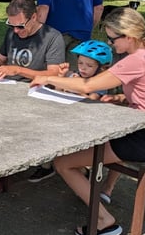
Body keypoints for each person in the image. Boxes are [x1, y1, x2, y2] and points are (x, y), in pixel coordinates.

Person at [30, 7, 145, 235]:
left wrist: (47, 78)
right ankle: (99, 189)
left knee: (63, 163)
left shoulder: (135, 60)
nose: (110, 43)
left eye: (112, 39)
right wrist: (121, 97)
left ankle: (104, 220)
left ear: (129, 36)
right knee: (85, 145)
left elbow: (88, 85)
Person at [0, 0, 65, 191]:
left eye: (20, 26)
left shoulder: (52, 37)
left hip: (35, 92)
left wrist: (17, 70)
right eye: (11, 25)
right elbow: (1, 58)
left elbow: (54, 74)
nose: (16, 31)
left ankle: (6, 169)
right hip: (8, 89)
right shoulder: (12, 33)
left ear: (34, 17)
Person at [28, 40, 114, 185]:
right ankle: (46, 165)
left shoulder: (99, 82)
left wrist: (76, 87)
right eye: (80, 63)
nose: (83, 68)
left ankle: (82, 171)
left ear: (100, 68)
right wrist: (62, 78)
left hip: (85, 122)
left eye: (89, 65)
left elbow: (92, 99)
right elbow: (59, 92)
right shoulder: (73, 76)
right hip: (66, 117)